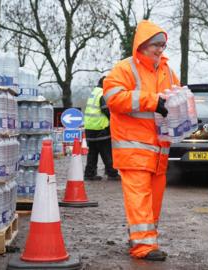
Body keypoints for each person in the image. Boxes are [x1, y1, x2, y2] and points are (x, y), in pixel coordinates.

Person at [102, 20, 179, 261]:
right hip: (133, 148)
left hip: (158, 150)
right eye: (156, 44)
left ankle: (144, 239)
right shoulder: (125, 68)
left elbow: (174, 97)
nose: (160, 50)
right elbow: (113, 98)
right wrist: (152, 101)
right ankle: (143, 247)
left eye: (163, 46)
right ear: (143, 44)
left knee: (153, 200)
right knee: (140, 198)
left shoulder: (167, 70)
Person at [83, 76, 120, 181]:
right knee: (106, 152)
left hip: (90, 128)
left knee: (92, 153)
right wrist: (115, 119)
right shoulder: (103, 94)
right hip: (100, 128)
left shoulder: (94, 92)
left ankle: (89, 174)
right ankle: (112, 173)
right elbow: (106, 110)